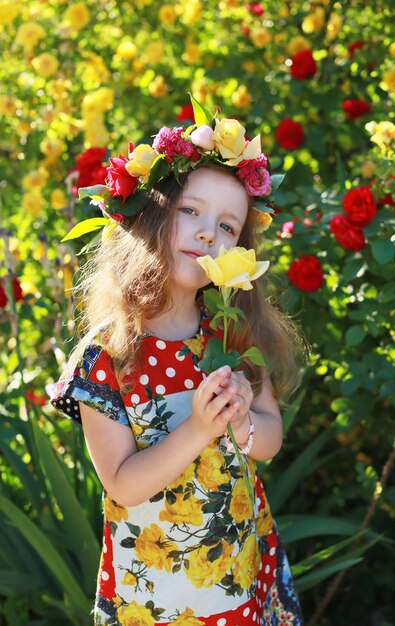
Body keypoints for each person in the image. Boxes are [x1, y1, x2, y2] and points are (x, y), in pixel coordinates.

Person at [52, 106, 305, 626]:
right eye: (191, 211)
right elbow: (122, 483)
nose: (209, 233)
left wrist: (242, 423)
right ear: (152, 214)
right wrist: (197, 429)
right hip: (158, 596)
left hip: (239, 570)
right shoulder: (111, 356)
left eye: (228, 225)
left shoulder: (231, 333)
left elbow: (271, 440)